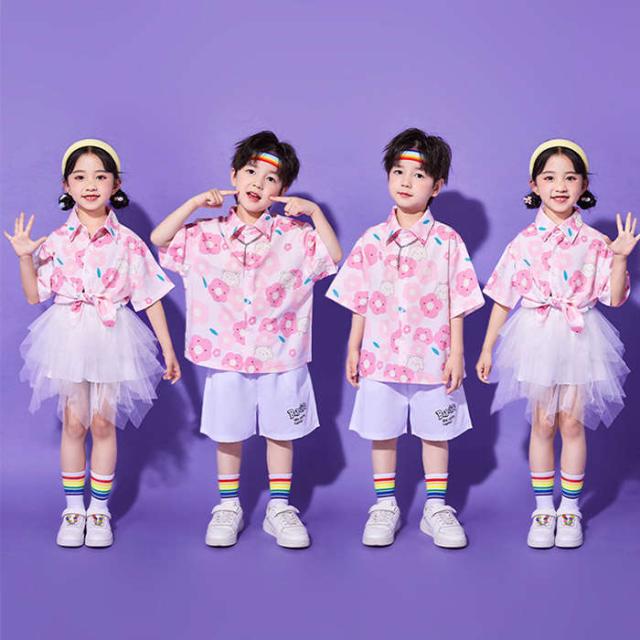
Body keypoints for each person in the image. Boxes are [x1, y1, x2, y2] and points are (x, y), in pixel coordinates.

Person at [152, 131, 341, 548]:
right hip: (226, 353)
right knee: (228, 432)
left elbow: (333, 255)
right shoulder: (205, 233)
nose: (258, 183)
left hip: (282, 352)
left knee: (280, 432)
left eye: (271, 179)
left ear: (282, 189)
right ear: (234, 176)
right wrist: (193, 204)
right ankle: (228, 506)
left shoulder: (296, 235)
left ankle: (279, 508)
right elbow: (160, 239)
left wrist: (315, 213)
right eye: (251, 172)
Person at [5, 139, 181, 548]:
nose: (90, 185)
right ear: (66, 185)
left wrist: (168, 349)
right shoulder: (56, 240)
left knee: (103, 423)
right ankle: (73, 509)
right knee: (74, 422)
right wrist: (25, 257)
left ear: (115, 184)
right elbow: (34, 296)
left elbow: (150, 296)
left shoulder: (128, 242)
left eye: (100, 177)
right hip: (68, 333)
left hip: (112, 333)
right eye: (80, 177)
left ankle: (98, 511)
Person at [476, 138, 637, 548]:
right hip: (537, 334)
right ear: (534, 185)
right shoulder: (523, 242)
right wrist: (487, 347)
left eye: (570, 177)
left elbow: (614, 298)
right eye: (549, 178)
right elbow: (502, 297)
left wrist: (619, 258)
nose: (560, 186)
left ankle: (570, 509)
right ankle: (543, 508)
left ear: (584, 185)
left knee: (572, 422)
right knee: (543, 422)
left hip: (580, 335)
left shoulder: (595, 242)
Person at [327, 128, 484, 548]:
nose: (406, 182)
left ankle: (436, 507)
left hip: (433, 355)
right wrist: (353, 346)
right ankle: (385, 505)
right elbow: (360, 298)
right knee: (383, 431)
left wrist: (457, 352)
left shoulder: (448, 241)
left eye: (418, 175)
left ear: (437, 186)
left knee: (436, 432)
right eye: (398, 172)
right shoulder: (371, 240)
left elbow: (458, 300)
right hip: (380, 355)